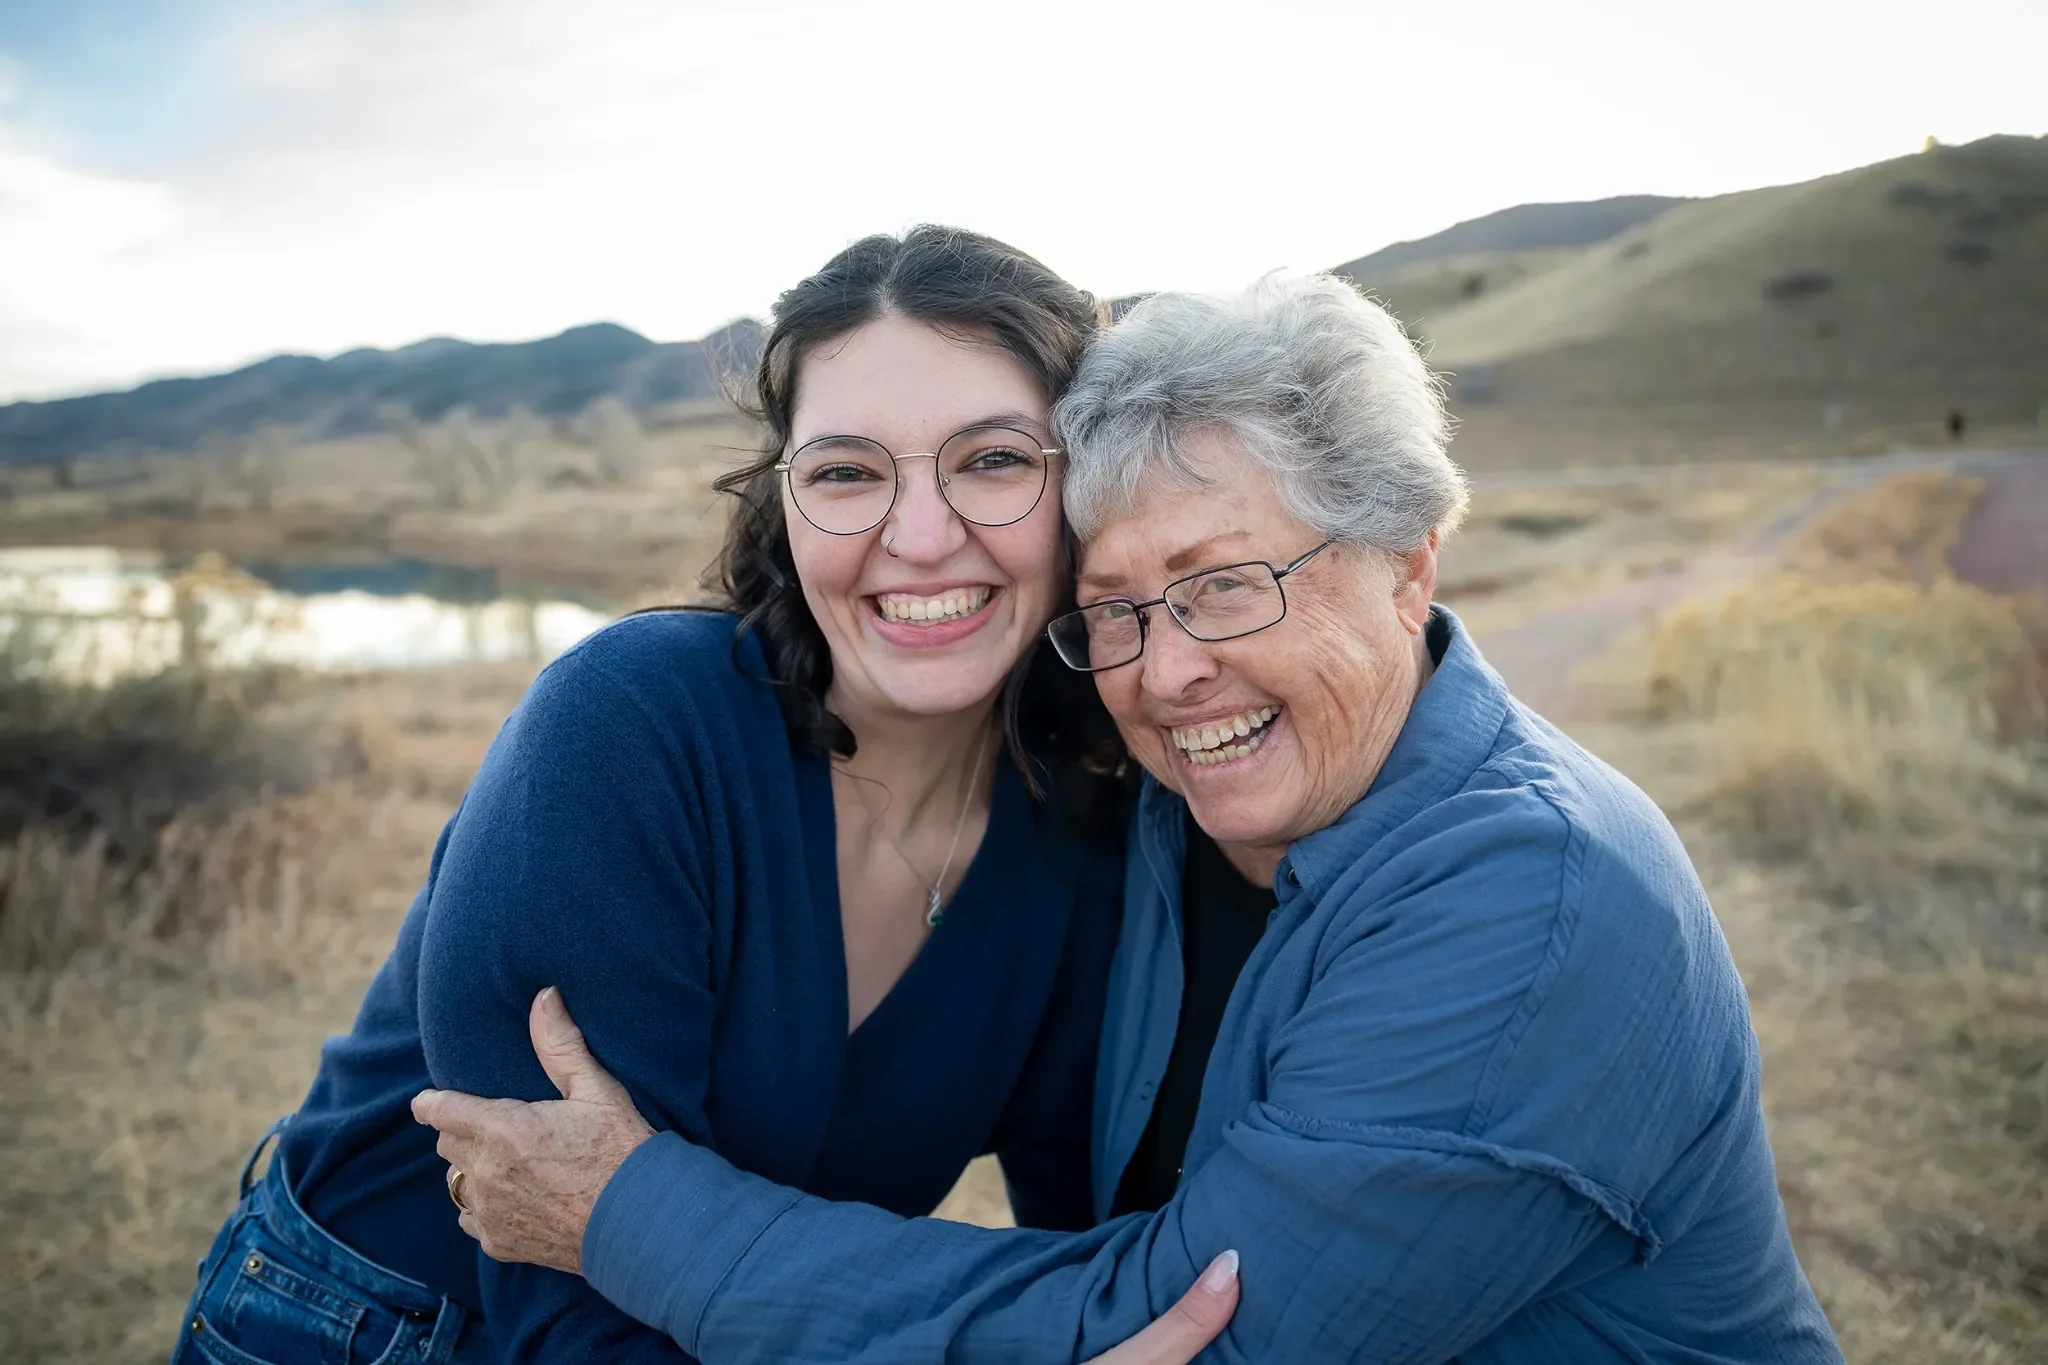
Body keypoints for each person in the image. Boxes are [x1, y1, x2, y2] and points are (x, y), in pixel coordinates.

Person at [419, 274, 1848, 1363]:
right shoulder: (1154, 821)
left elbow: (1192, 1328)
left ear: (1409, 568)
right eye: (1115, 610)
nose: (1166, 673)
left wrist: (634, 1213)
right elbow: (1086, 1260)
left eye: (1229, 584)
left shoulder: (1533, 902)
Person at [169, 227, 1236, 1365]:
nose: (919, 539)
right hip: (365, 1323)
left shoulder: (1087, 826)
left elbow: (1093, 1246)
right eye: (845, 472)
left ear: (1084, 487)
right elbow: (564, 1304)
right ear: (782, 503)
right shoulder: (630, 725)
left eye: (992, 460)